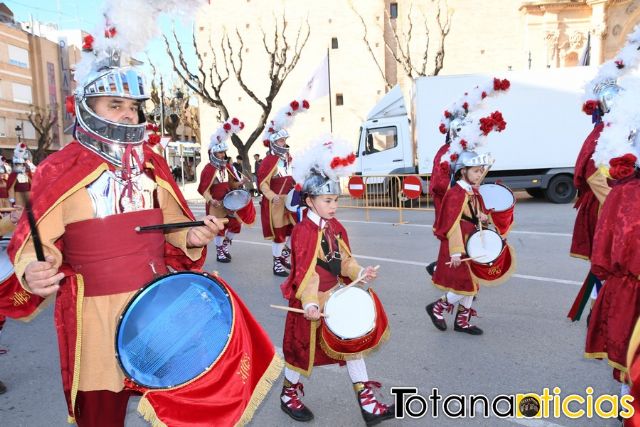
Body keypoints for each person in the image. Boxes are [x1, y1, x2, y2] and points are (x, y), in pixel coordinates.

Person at [7, 28, 224, 425]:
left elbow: (175, 225)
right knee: (101, 411)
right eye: (116, 104)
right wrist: (34, 269)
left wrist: (192, 236)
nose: (129, 114)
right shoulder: (60, 167)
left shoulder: (152, 163)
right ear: (87, 106)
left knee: (175, 403)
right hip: (96, 310)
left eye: (134, 107)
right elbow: (37, 242)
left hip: (157, 302)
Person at [279, 137, 394, 425]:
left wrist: (360, 273)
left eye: (335, 200)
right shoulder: (304, 232)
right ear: (309, 200)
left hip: (334, 297)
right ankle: (288, 394)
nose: (334, 206)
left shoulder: (335, 226)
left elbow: (344, 261)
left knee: (353, 347)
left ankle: (367, 404)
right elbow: (304, 276)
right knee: (301, 355)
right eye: (327, 201)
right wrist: (308, 304)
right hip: (310, 305)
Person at [584, 74, 640, 407]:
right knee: (626, 352)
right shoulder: (624, 193)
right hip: (630, 286)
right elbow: (605, 245)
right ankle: (626, 405)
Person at [198, 117, 255, 263]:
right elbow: (204, 189)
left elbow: (232, 185)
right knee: (219, 228)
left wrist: (240, 182)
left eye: (224, 152)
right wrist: (212, 200)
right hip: (216, 203)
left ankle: (225, 245)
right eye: (220, 153)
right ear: (213, 154)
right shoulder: (209, 168)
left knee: (236, 224)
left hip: (229, 201)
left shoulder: (228, 167)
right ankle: (219, 252)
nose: (223, 155)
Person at [257, 129, 296, 277]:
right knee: (279, 234)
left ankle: (284, 254)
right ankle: (277, 264)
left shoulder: (288, 158)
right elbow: (263, 184)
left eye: (284, 140)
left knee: (294, 230)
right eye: (281, 140)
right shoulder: (268, 161)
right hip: (276, 202)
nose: (284, 143)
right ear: (273, 143)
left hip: (291, 200)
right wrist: (272, 196)